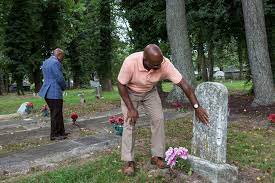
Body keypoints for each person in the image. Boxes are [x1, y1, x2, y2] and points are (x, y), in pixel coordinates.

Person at [117, 44, 209, 176]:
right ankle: (129, 161)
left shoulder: (164, 64)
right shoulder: (130, 62)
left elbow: (184, 85)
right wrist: (131, 108)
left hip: (150, 92)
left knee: (158, 119)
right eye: (155, 65)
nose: (159, 67)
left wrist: (197, 107)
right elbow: (120, 84)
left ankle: (157, 156)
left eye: (160, 63)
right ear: (145, 60)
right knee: (129, 122)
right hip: (130, 92)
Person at [39, 48, 68, 141]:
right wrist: (64, 86)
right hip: (54, 92)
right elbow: (59, 78)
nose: (62, 59)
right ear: (59, 55)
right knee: (56, 113)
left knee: (56, 113)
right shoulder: (56, 63)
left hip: (47, 92)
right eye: (62, 57)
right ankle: (54, 135)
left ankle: (61, 132)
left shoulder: (45, 62)